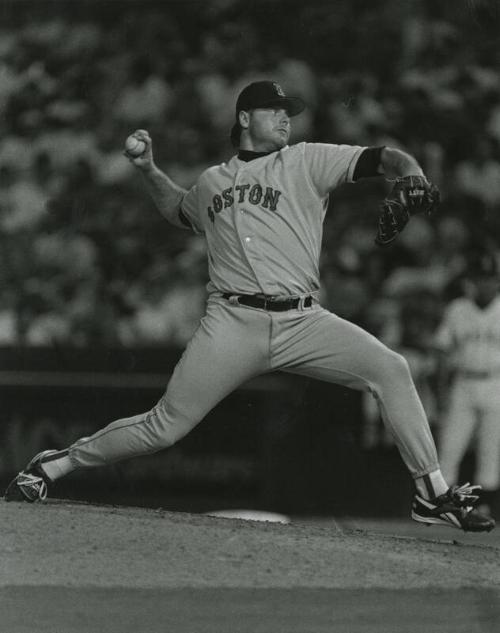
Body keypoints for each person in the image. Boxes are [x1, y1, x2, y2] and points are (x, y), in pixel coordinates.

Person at [4, 80, 494, 532]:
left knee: (390, 369)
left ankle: (432, 495)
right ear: (243, 118)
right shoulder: (213, 181)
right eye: (274, 110)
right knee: (163, 427)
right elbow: (179, 210)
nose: (285, 118)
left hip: (303, 319)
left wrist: (412, 175)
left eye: (289, 112)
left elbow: (387, 158)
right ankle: (54, 464)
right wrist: (149, 170)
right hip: (232, 323)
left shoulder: (306, 160)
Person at [435, 249, 500, 518]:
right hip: (463, 382)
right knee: (450, 446)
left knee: (491, 450)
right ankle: (443, 505)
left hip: (495, 382)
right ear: (471, 281)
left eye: (490, 277)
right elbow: (442, 350)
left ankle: (484, 508)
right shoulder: (457, 309)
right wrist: (441, 390)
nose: (484, 282)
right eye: (479, 277)